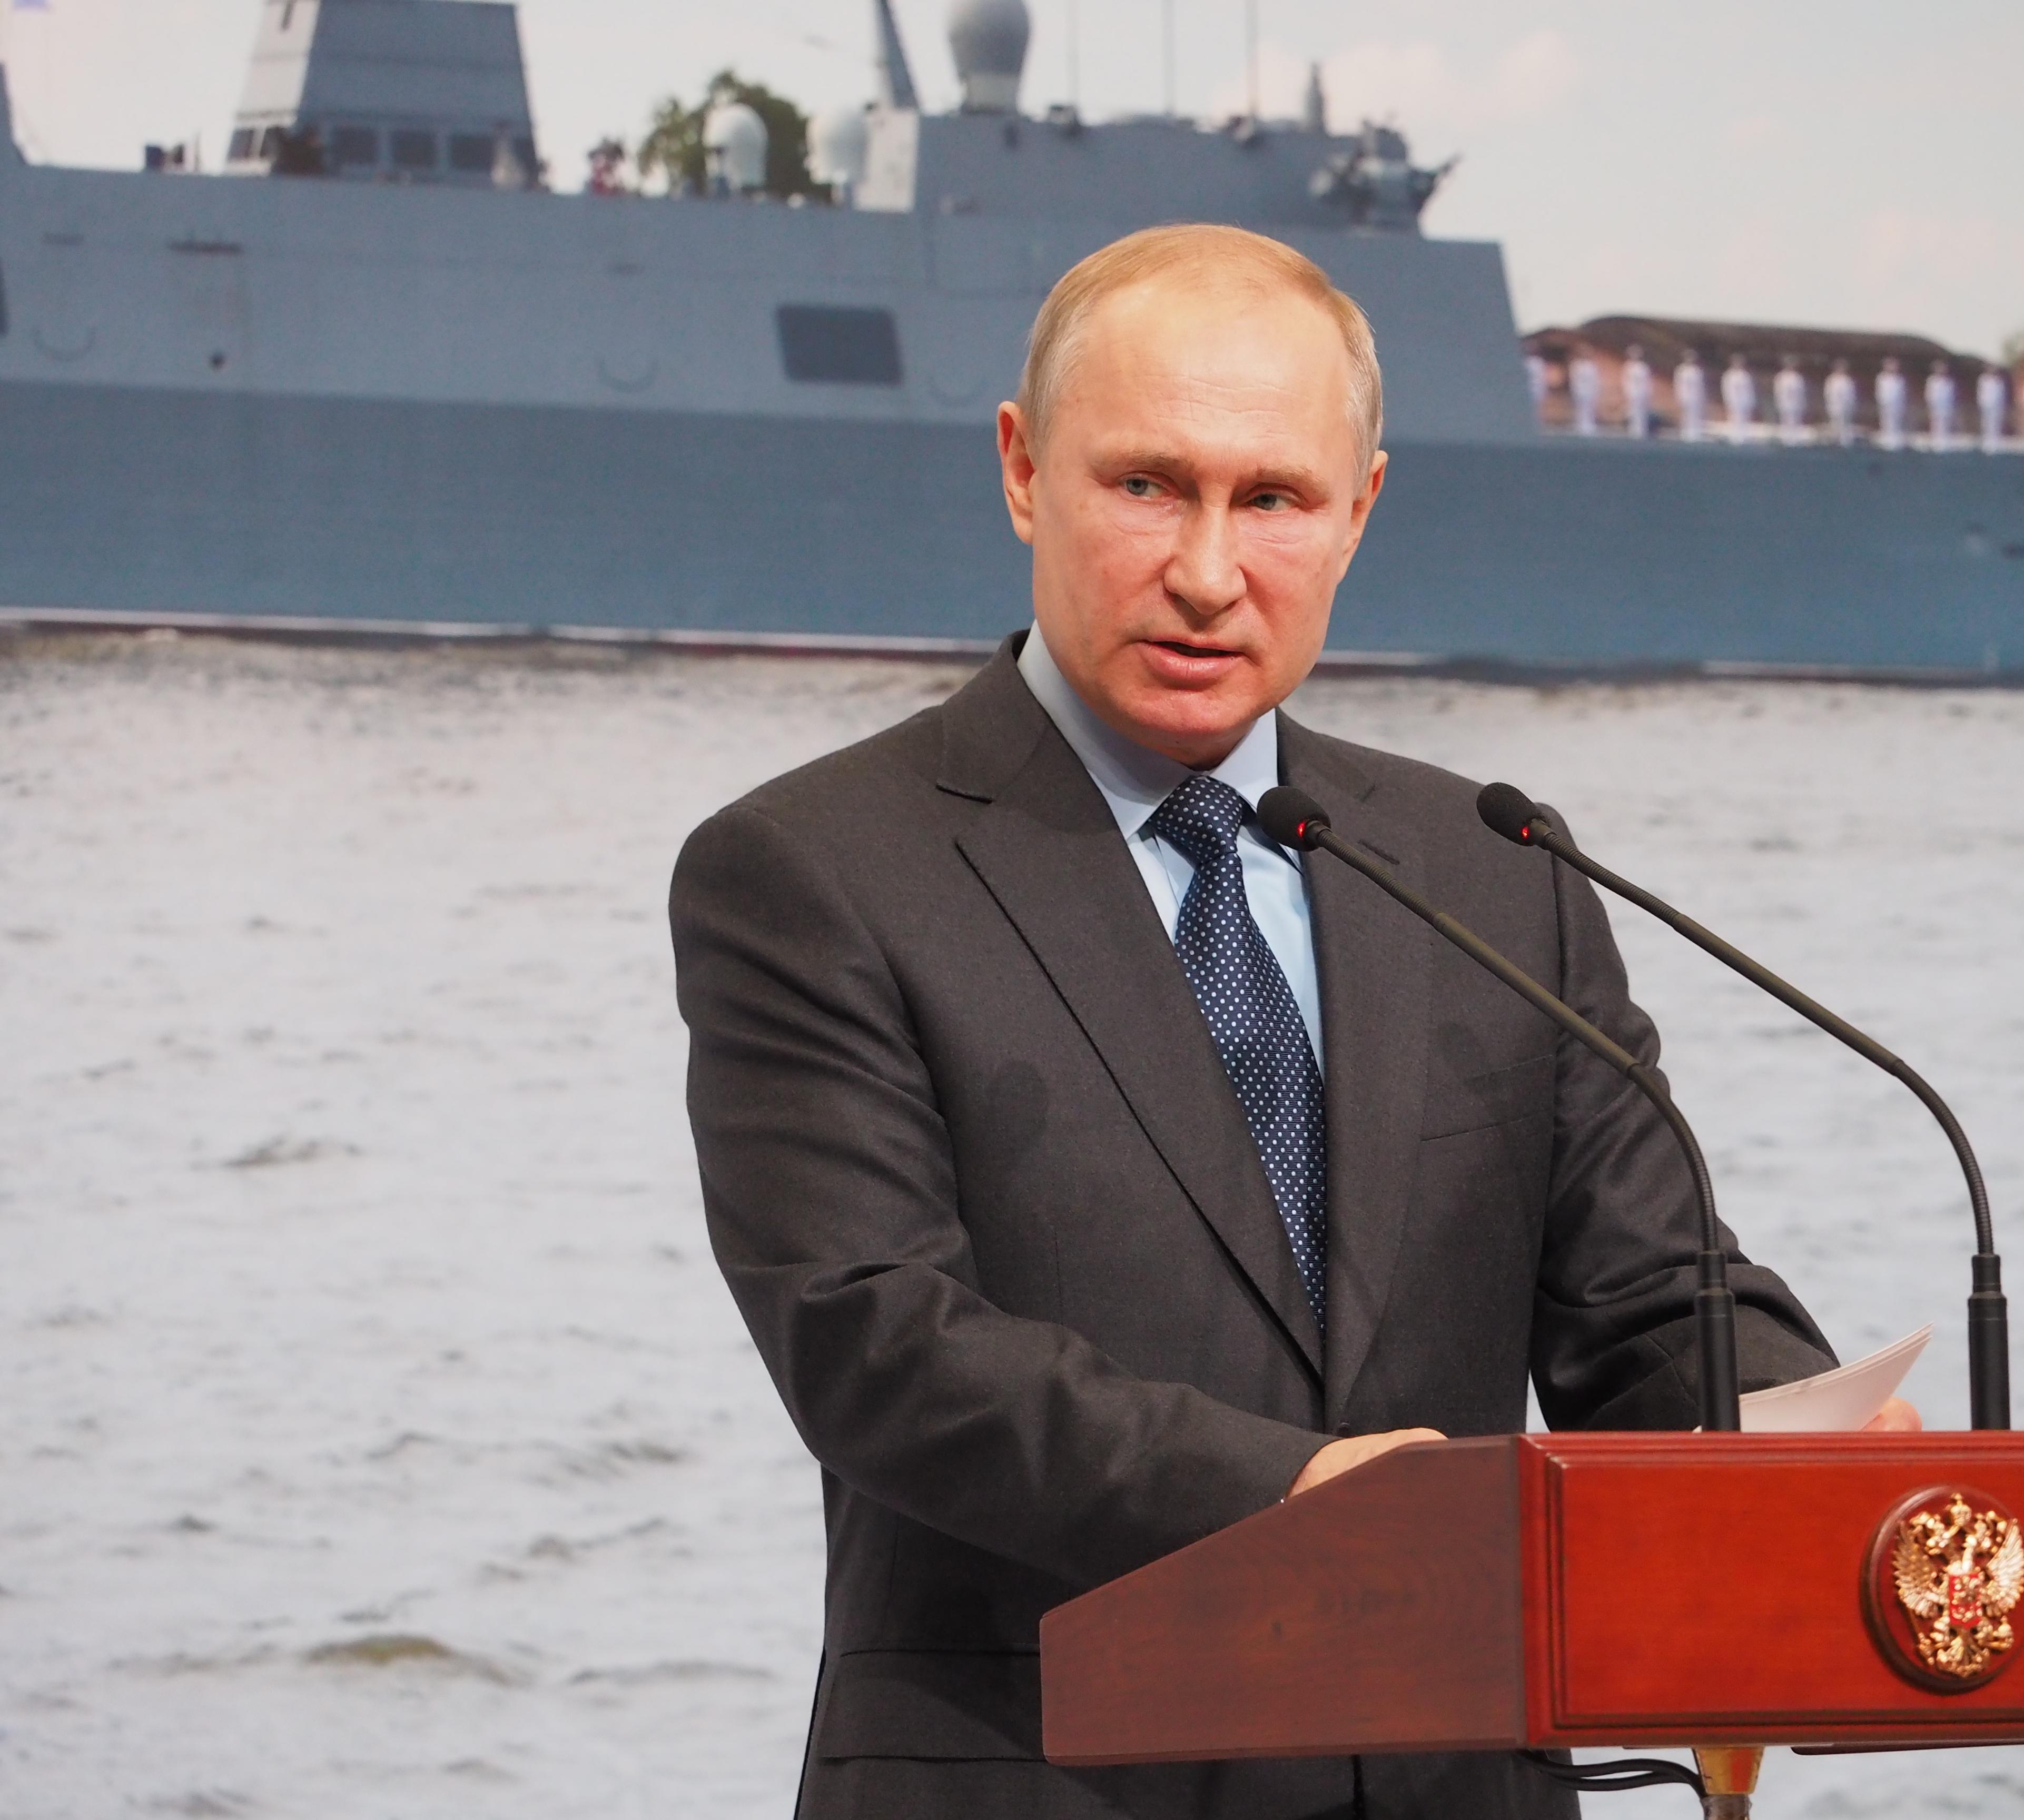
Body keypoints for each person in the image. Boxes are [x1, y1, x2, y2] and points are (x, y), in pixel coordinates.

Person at [670, 224, 1880, 1820]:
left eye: (1274, 500)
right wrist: (1295, 1491)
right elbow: (877, 1344)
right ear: (1023, 470)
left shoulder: (1497, 865)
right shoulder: (814, 868)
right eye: (1147, 484)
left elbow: (1649, 1300)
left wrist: (1805, 1441)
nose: (1205, 571)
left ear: (1359, 509)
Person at [1721, 352, 1758, 445]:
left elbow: (1750, 389)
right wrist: (1727, 400)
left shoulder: (1746, 375)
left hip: (1745, 400)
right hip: (1734, 400)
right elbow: (1726, 389)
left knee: (1745, 418)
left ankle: (1745, 435)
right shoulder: (1729, 375)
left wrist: (1751, 401)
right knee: (1734, 418)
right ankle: (1735, 436)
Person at [1674, 348, 1709, 441]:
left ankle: (1695, 432)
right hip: (1685, 395)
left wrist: (1702, 396)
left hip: (1696, 396)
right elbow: (1678, 384)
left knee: (1696, 414)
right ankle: (1685, 432)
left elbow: (1701, 385)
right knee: (1685, 414)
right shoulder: (1681, 370)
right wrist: (1679, 396)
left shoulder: (1697, 371)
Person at [1874, 357, 1908, 451]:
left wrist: (1902, 403)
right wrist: (1882, 402)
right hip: (1886, 403)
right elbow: (1879, 391)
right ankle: (1886, 438)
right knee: (1886, 420)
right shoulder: (1882, 378)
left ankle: (1896, 439)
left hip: (1897, 404)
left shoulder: (1899, 379)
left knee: (1896, 420)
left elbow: (1903, 393)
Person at [1823, 356, 1859, 447]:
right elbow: (1828, 394)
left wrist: (1851, 405)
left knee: (1845, 424)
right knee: (1835, 422)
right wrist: (1830, 404)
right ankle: (1835, 440)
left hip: (1846, 406)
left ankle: (1845, 441)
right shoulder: (1831, 380)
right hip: (1835, 405)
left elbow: (1852, 394)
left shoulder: (1848, 380)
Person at [1621, 343, 1654, 439]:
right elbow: (1625, 380)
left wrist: (1649, 391)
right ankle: (1633, 429)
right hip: (1632, 391)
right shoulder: (1628, 366)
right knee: (1633, 410)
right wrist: (1627, 390)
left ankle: (1642, 429)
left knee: (1642, 411)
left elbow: (1648, 380)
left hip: (1642, 391)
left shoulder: (1643, 366)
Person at [1924, 359, 1958, 452]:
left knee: (1946, 421)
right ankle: (1936, 440)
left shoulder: (1949, 381)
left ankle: (1945, 439)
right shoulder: (1931, 380)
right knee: (1935, 421)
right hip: (1935, 405)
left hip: (1946, 405)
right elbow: (1929, 393)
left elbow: (1952, 395)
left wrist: (1952, 405)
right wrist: (1930, 403)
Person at [1773, 355, 1809, 444]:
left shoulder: (1798, 378)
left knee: (1796, 422)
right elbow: (1778, 391)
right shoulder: (1781, 377)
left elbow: (1802, 392)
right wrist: (1779, 402)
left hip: (1796, 403)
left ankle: (1796, 440)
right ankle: (1786, 440)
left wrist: (1803, 403)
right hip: (1785, 403)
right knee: (1786, 421)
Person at [1567, 350, 1601, 437]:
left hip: (1589, 390)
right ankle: (1579, 426)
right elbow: (1573, 378)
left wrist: (1596, 390)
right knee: (1580, 408)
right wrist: (1574, 389)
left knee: (1590, 408)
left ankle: (1590, 426)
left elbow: (1595, 380)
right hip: (1579, 389)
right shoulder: (1576, 365)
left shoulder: (1592, 366)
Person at [1977, 365, 2009, 455]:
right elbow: (1980, 392)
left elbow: (2002, 394)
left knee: (1996, 423)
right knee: (1986, 423)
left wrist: (2003, 405)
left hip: (1997, 405)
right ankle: (1987, 443)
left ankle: (1996, 442)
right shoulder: (1983, 379)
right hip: (1986, 404)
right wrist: (1981, 403)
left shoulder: (1999, 381)